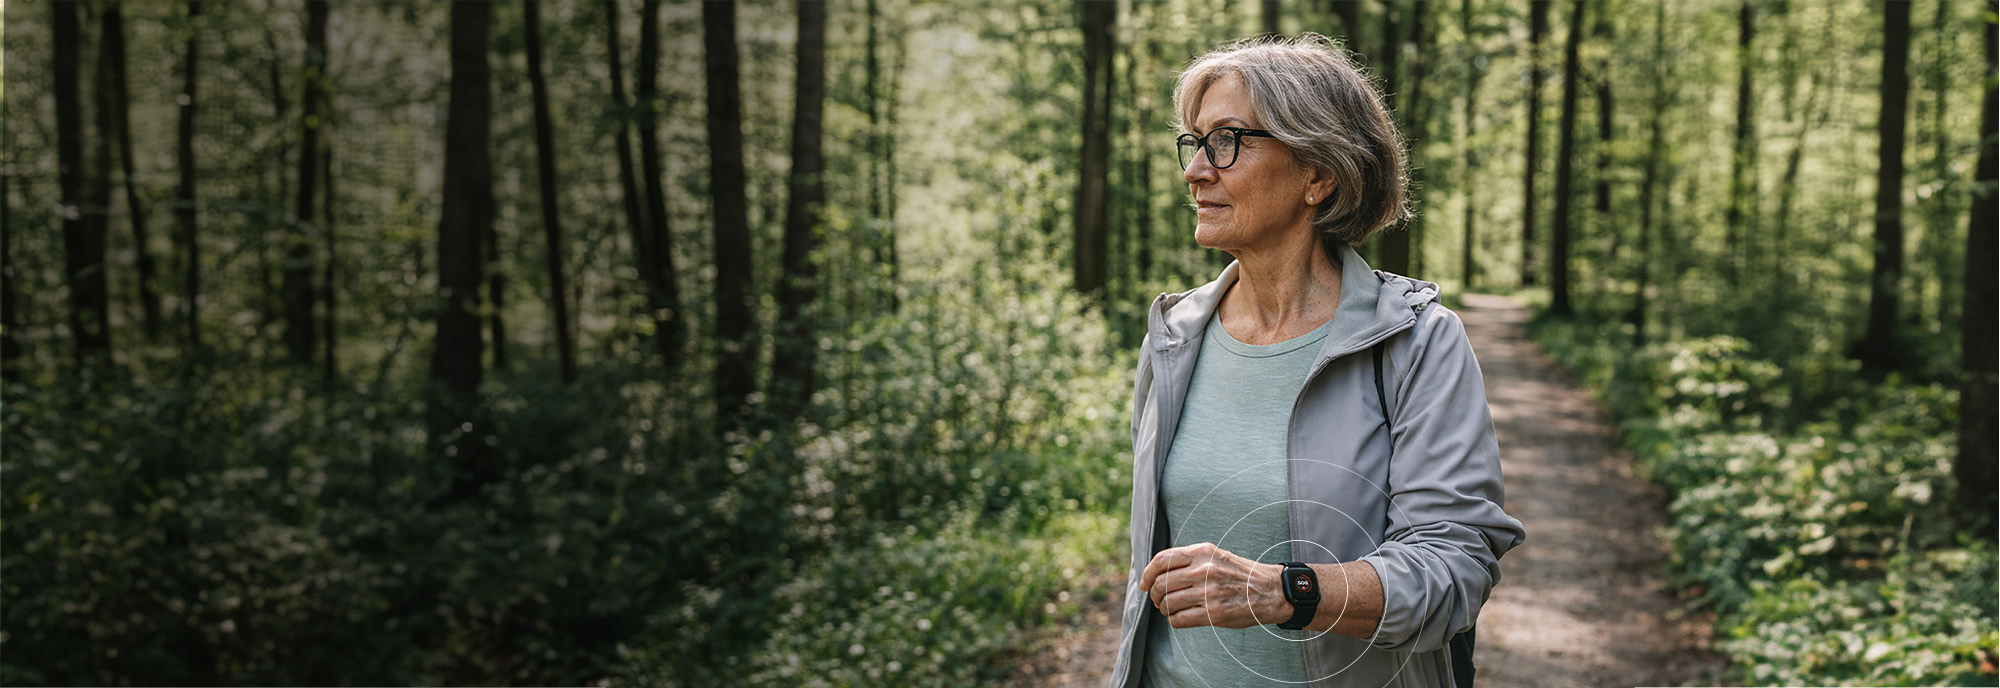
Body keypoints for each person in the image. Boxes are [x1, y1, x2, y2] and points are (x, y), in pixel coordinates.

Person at [1108, 34, 1525, 688]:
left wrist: (1285, 591)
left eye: (1228, 140)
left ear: (1318, 174)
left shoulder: (1417, 342)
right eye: (1195, 142)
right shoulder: (1174, 335)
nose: (1195, 170)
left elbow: (1454, 571)